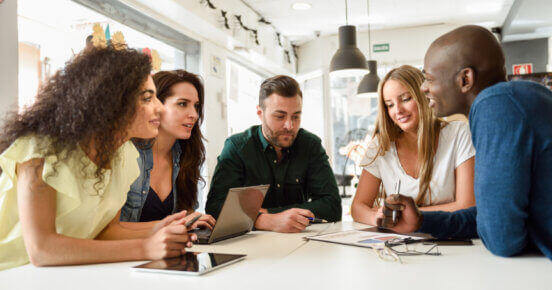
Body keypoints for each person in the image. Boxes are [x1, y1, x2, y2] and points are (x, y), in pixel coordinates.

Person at [0, 47, 197, 271]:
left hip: (63, 273)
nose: (160, 108)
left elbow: (106, 231)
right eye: (147, 98)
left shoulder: (125, 155)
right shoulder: (39, 150)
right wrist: (146, 247)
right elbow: (42, 249)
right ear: (111, 103)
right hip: (11, 273)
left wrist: (163, 228)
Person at [381, 25, 552, 260]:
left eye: (429, 79)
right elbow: (488, 217)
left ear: (465, 79)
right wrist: (420, 221)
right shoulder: (525, 95)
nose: (423, 88)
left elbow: (502, 239)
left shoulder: (495, 105)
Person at [205, 75, 341, 233]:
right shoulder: (237, 147)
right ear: (259, 112)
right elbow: (215, 208)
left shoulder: (310, 145)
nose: (289, 126)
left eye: (296, 116)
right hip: (251, 248)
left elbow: (332, 206)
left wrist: (270, 213)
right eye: (280, 116)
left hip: (299, 244)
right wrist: (265, 220)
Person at [351, 65, 475, 226]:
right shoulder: (381, 145)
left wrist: (405, 214)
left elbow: (467, 206)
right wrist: (377, 218)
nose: (398, 111)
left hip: (450, 239)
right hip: (399, 243)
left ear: (423, 95)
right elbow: (358, 207)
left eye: (405, 99)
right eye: (390, 104)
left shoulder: (459, 134)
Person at [120, 70, 215, 229]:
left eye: (196, 106)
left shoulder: (187, 154)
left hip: (165, 251)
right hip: (126, 252)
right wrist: (176, 225)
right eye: (182, 104)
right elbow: (109, 230)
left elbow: (184, 214)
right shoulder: (127, 153)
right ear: (156, 105)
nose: (194, 114)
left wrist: (193, 220)